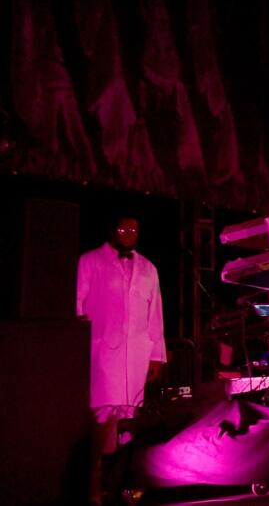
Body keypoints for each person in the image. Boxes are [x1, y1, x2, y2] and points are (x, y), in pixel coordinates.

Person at [76, 213, 166, 505]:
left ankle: (122, 488)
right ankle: (92, 491)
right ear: (112, 229)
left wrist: (156, 356)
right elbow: (77, 303)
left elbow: (155, 316)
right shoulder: (90, 262)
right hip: (101, 354)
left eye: (134, 229)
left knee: (130, 423)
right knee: (102, 423)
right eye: (123, 228)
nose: (129, 233)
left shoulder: (148, 269)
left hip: (136, 357)